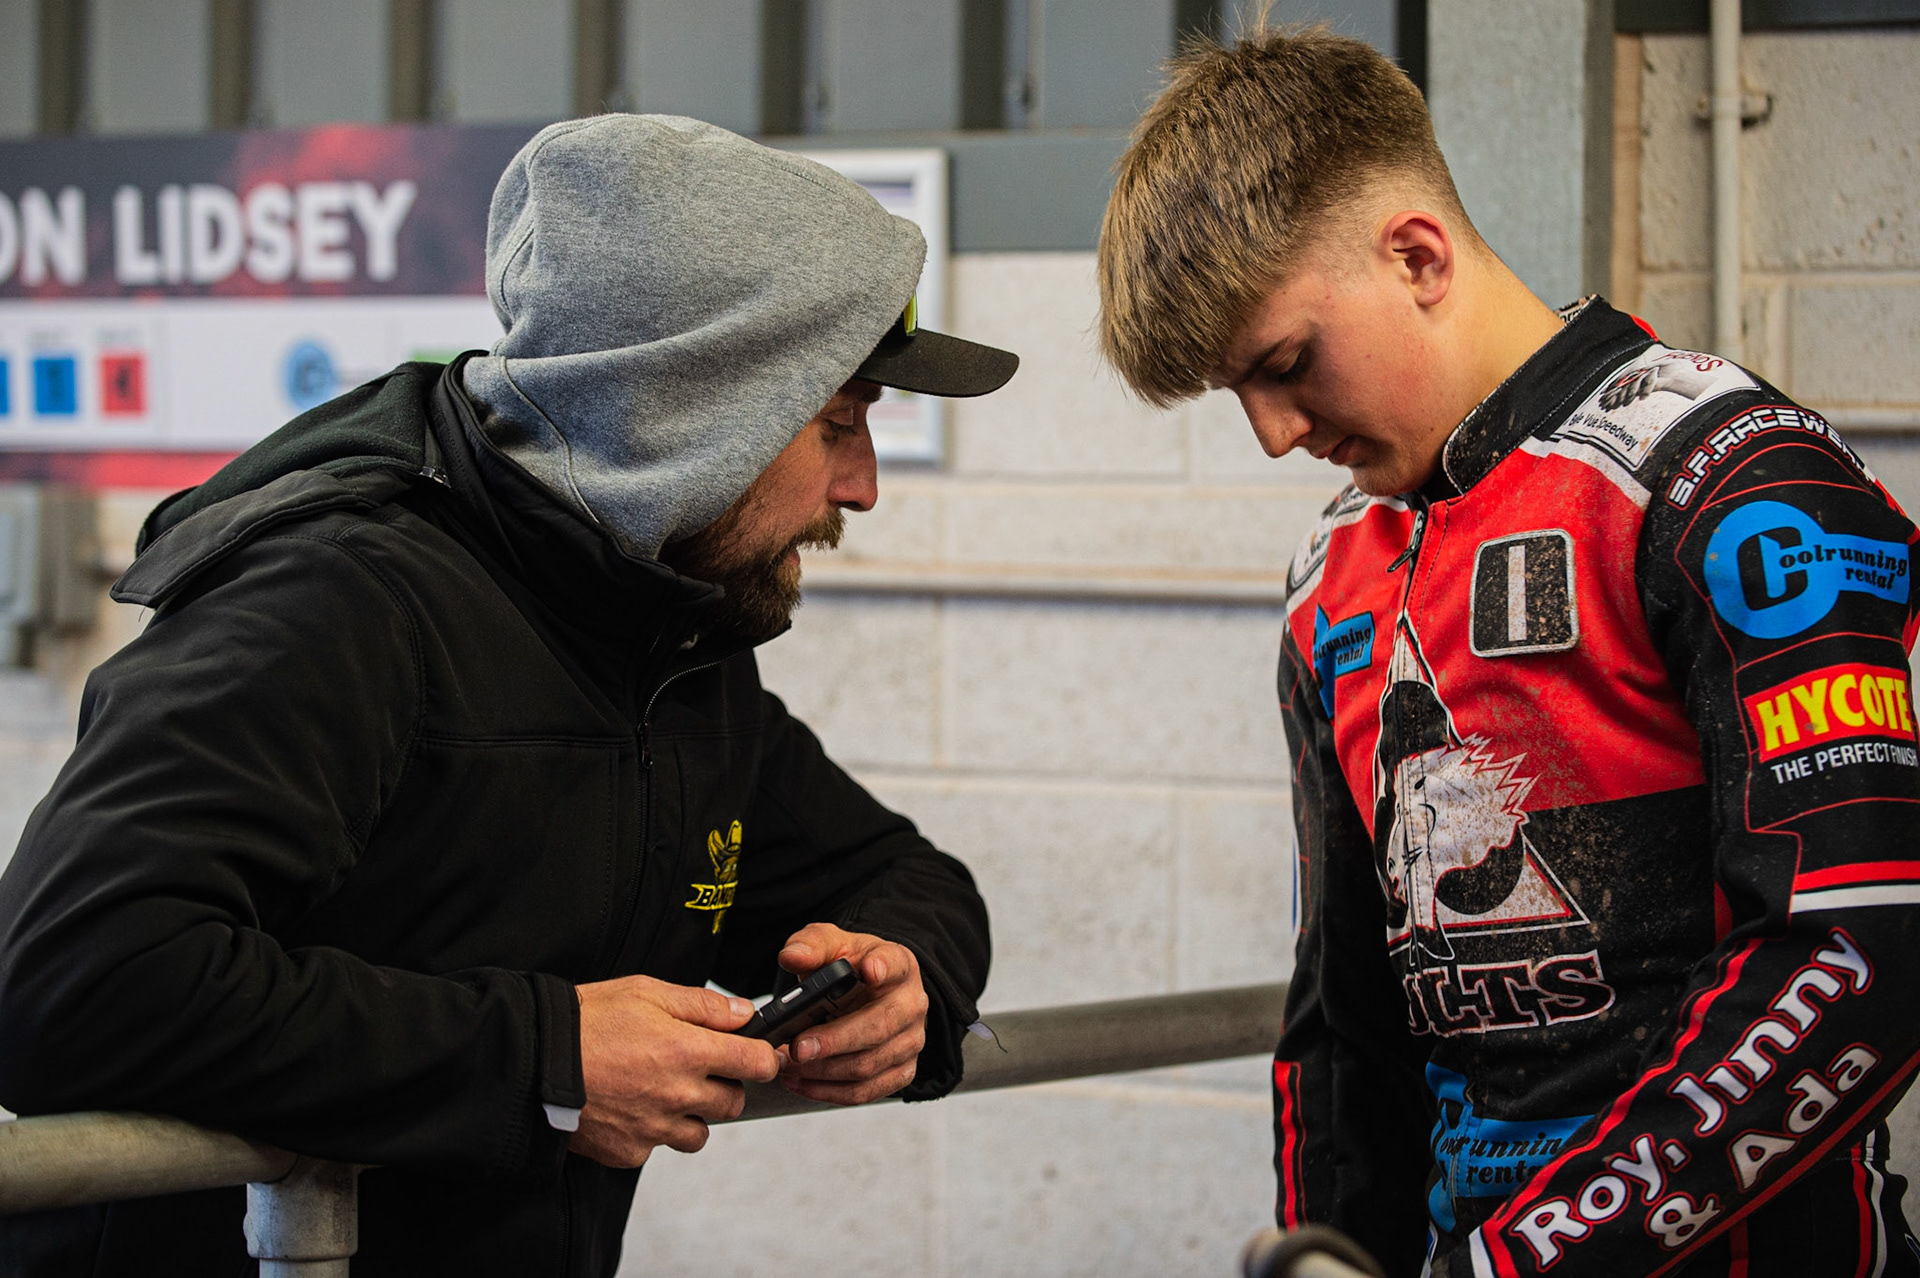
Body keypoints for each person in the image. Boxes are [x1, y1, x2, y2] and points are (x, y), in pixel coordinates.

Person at [0, 114, 1010, 1276]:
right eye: (835, 426)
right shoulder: (338, 599)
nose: (863, 487)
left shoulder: (669, 639)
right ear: (684, 412)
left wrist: (903, 977)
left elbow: (901, 876)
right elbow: (70, 982)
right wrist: (546, 1057)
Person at [1097, 26, 1919, 1278]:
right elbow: (1346, 1015)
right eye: (1240, 394)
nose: (1272, 434)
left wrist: (1531, 1259)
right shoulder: (1333, 577)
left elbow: (1860, 947)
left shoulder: (1731, 478)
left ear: (1416, 254)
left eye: (1284, 366)